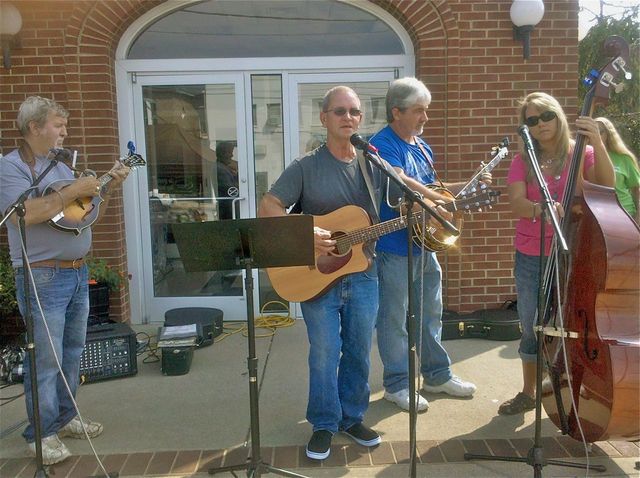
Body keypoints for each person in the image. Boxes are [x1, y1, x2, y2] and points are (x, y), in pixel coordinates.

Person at [0, 96, 130, 464]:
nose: (65, 132)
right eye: (58, 125)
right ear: (34, 127)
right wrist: (74, 188)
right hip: (41, 274)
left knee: (72, 352)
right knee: (46, 358)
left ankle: (65, 416)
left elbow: (77, 215)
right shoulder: (11, 167)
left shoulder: (59, 166)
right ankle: (41, 435)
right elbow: (24, 214)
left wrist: (106, 186)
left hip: (76, 272)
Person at [258, 86, 384, 460]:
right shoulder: (306, 166)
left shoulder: (372, 164)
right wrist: (307, 233)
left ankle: (352, 418)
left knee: (359, 352)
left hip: (362, 273)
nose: (348, 117)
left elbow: (400, 200)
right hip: (318, 277)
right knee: (325, 353)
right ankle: (324, 423)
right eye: (340, 111)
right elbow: (269, 206)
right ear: (324, 118)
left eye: (355, 111)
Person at [499, 92, 615, 415]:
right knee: (532, 322)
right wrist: (542, 209)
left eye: (546, 116)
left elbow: (607, 185)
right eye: (532, 120)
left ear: (558, 116)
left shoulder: (582, 153)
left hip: (575, 249)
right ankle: (529, 391)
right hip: (532, 251)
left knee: (575, 320)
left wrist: (597, 143)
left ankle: (572, 388)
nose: (541, 124)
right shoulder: (523, 161)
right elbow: (517, 203)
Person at [370, 77, 480, 412]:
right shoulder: (382, 143)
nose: (425, 117)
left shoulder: (422, 146)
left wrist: (468, 187)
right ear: (396, 111)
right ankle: (397, 385)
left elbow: (433, 189)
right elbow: (400, 179)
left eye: (426, 110)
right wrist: (437, 201)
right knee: (394, 320)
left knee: (431, 313)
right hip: (393, 248)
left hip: (424, 245)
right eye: (419, 110)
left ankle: (436, 375)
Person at [595, 117, 640, 224]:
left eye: (599, 132)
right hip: (597, 215)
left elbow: (637, 190)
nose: (595, 136)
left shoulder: (624, 158)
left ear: (608, 135)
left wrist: (638, 218)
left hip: (625, 213)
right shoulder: (585, 156)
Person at [215, 141, 239, 220]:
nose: (232, 155)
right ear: (222, 154)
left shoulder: (224, 168)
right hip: (227, 208)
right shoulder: (221, 170)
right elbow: (231, 190)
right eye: (229, 152)